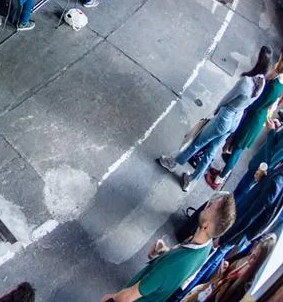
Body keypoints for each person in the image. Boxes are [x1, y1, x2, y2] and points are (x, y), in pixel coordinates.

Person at [159, 46, 272, 191]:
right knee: (212, 151)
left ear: (258, 59)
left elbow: (226, 99)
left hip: (226, 116)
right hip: (235, 120)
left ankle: (173, 162)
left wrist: (215, 111)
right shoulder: (261, 82)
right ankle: (192, 180)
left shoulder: (246, 81)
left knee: (197, 142)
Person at [101, 192, 236, 302]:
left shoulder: (173, 265)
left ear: (206, 226)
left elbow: (128, 297)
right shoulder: (205, 248)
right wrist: (164, 252)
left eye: (209, 207)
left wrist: (110, 299)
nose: (206, 205)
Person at [212, 53, 283, 188]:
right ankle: (222, 172)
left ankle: (219, 179)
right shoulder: (278, 81)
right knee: (236, 146)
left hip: (253, 120)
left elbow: (258, 104)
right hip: (256, 119)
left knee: (238, 149)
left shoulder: (276, 85)